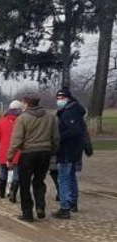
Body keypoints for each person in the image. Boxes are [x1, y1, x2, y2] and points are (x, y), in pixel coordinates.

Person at [7, 94, 60, 222]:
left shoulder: (23, 118)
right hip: (45, 152)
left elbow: (17, 139)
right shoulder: (50, 117)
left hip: (28, 153)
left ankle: (27, 213)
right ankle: (40, 207)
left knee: (25, 184)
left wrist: (10, 156)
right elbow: (56, 137)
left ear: (26, 104)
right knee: (39, 181)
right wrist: (52, 150)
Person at [55, 87, 88, 218]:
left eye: (62, 98)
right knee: (71, 176)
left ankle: (65, 206)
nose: (59, 100)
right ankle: (73, 201)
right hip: (74, 149)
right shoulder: (74, 111)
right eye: (58, 98)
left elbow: (72, 131)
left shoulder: (69, 113)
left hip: (67, 149)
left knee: (64, 178)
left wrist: (59, 138)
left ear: (68, 99)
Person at [0, 101, 23, 202]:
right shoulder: (23, 121)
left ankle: (1, 191)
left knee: (3, 171)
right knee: (17, 172)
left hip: (4, 150)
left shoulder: (2, 121)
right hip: (18, 150)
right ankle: (13, 193)